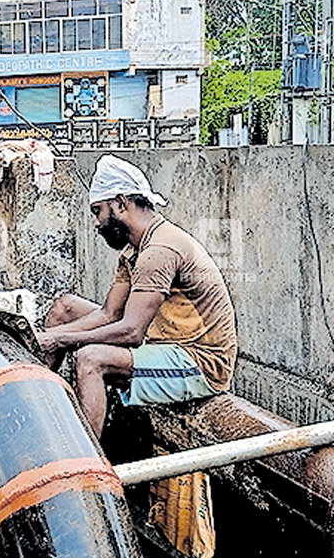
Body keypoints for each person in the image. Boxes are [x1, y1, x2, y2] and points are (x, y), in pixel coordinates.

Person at [36, 155, 237, 437]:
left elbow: (131, 332)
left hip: (199, 362)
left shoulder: (160, 250)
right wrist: (41, 338)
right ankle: (38, 409)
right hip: (164, 345)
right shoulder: (133, 250)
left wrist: (58, 338)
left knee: (91, 359)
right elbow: (109, 314)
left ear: (120, 203)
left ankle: (85, 464)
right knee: (64, 308)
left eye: (98, 211)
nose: (95, 223)